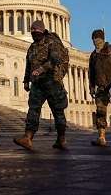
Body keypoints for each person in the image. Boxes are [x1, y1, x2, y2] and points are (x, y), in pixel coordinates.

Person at [13, 20, 69, 151]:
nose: (34, 35)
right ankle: (28, 138)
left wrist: (42, 69)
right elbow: (29, 65)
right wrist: (26, 80)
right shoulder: (32, 47)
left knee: (58, 111)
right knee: (33, 109)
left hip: (52, 81)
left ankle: (61, 138)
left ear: (42, 31)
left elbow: (55, 59)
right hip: (37, 83)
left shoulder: (51, 42)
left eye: (36, 33)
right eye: (32, 33)